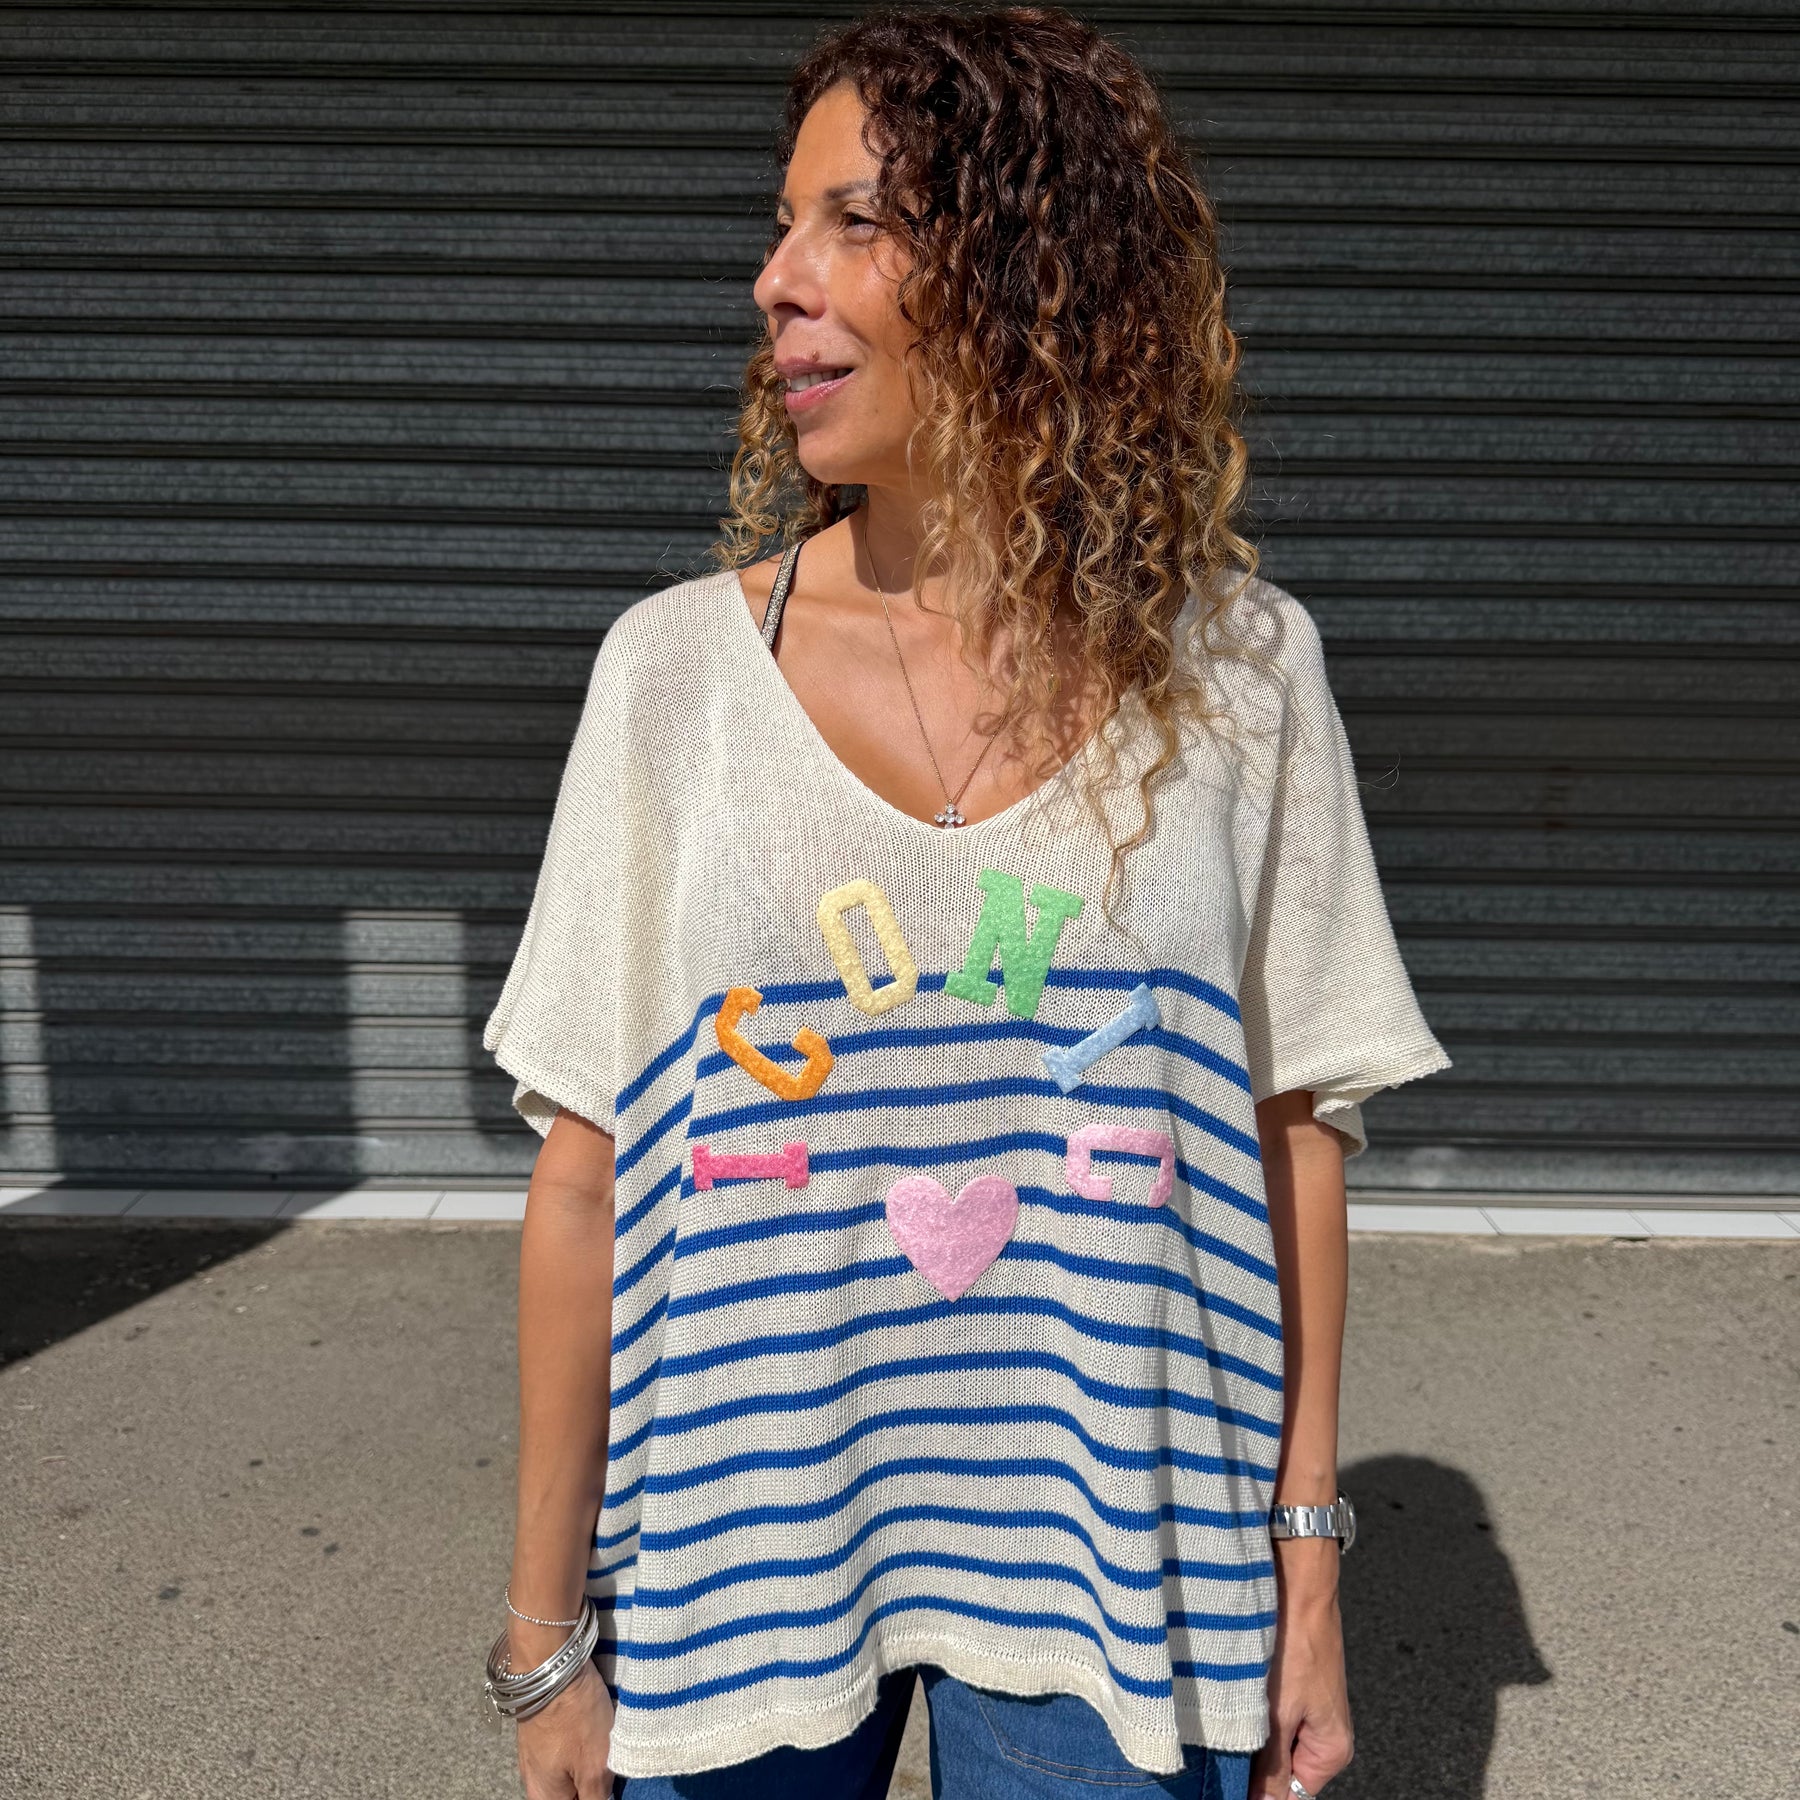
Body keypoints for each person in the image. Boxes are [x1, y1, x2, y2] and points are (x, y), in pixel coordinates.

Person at [479, 7, 1451, 1798]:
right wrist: (546, 1641)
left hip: (1119, 1564)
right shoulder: (675, 678)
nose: (776, 280)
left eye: (854, 222)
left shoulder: (1239, 674)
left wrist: (1305, 1571)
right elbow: (587, 1174)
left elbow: (1291, 1128)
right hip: (738, 1568)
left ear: (1036, 278)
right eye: (782, 224)